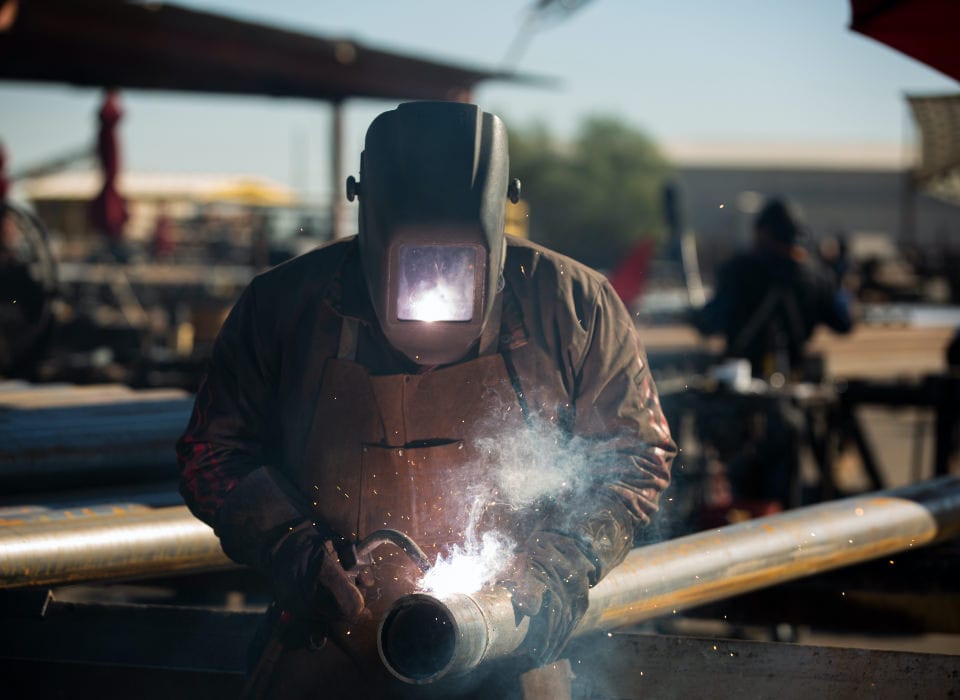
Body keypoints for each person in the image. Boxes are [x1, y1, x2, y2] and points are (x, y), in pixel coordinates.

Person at [176, 101, 675, 699]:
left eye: (457, 264)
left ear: (496, 221)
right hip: (329, 647)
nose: (432, 288)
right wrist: (296, 551)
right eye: (412, 263)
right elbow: (212, 451)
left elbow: (635, 453)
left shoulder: (573, 309)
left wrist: (561, 564)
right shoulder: (285, 308)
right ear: (367, 213)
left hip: (506, 645)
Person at [691, 198, 853, 380]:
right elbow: (843, 322)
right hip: (795, 377)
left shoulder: (740, 271)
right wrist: (837, 274)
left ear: (763, 232)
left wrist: (692, 314)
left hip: (742, 385)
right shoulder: (817, 275)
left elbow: (708, 323)